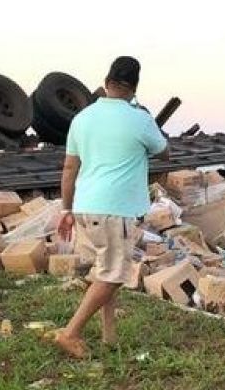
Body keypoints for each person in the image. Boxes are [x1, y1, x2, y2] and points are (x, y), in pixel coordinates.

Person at [52, 56, 169, 358]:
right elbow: (164, 153)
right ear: (134, 87)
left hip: (85, 208)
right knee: (113, 275)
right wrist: (148, 121)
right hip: (115, 211)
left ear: (106, 82)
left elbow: (68, 169)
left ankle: (109, 336)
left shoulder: (82, 118)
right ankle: (70, 333)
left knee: (105, 271)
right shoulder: (139, 118)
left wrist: (66, 211)